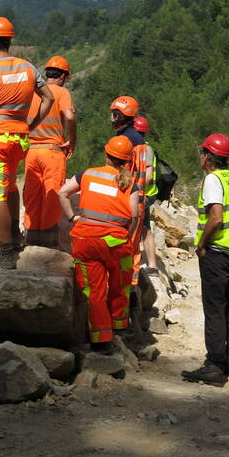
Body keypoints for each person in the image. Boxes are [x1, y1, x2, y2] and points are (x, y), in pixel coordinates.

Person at [0, 16, 54, 268]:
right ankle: (17, 239)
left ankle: (6, 251)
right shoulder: (28, 67)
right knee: (10, 186)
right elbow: (48, 99)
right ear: (9, 41)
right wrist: (30, 125)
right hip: (20, 139)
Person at [58, 136, 140, 353]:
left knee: (94, 291)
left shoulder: (87, 173)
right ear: (127, 161)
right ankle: (120, 328)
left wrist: (72, 217)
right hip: (117, 242)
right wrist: (126, 236)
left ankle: (101, 340)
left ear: (106, 154)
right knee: (120, 284)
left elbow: (62, 192)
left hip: (85, 240)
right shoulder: (130, 182)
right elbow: (134, 216)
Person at [182, 133, 229, 387]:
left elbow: (216, 217)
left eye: (202, 153)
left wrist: (201, 244)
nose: (200, 157)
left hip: (216, 253)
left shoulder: (213, 179)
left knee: (214, 309)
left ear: (208, 156)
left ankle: (214, 366)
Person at [23, 55, 76, 248]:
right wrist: (73, 141)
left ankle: (30, 239)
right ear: (63, 76)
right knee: (52, 197)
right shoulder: (61, 92)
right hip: (52, 153)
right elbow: (69, 117)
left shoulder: (33, 92)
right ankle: (46, 245)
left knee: (32, 196)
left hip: (31, 152)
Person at [109, 96, 147, 290]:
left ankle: (120, 286)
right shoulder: (140, 139)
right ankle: (131, 287)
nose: (112, 118)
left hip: (126, 199)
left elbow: (117, 174)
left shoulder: (123, 141)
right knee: (133, 247)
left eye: (115, 114)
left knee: (119, 246)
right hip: (139, 198)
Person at [132, 116, 160, 275]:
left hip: (143, 195)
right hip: (143, 194)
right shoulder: (142, 147)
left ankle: (144, 264)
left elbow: (148, 176)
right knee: (145, 228)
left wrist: (131, 190)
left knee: (139, 228)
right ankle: (152, 265)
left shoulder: (144, 149)